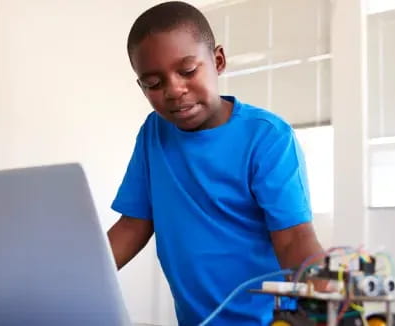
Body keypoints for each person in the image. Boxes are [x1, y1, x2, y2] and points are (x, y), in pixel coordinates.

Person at [107, 1, 324, 325]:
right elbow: (133, 224)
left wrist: (324, 296)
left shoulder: (266, 137)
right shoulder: (153, 133)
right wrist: (75, 278)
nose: (174, 90)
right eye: (154, 83)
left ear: (218, 60)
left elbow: (293, 238)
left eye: (187, 71)